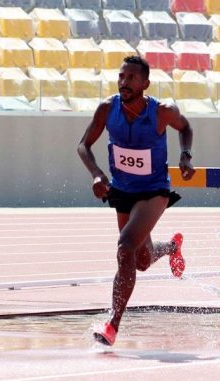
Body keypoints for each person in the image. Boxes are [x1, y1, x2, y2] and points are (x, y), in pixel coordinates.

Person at [76, 56, 196, 346]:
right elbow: (83, 145)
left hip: (153, 191)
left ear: (145, 83)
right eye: (121, 76)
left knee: (125, 247)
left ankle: (112, 324)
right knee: (140, 261)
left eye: (131, 78)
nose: (123, 82)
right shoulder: (107, 108)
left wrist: (185, 155)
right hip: (122, 190)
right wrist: (96, 174)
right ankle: (171, 247)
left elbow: (186, 128)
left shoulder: (162, 112)